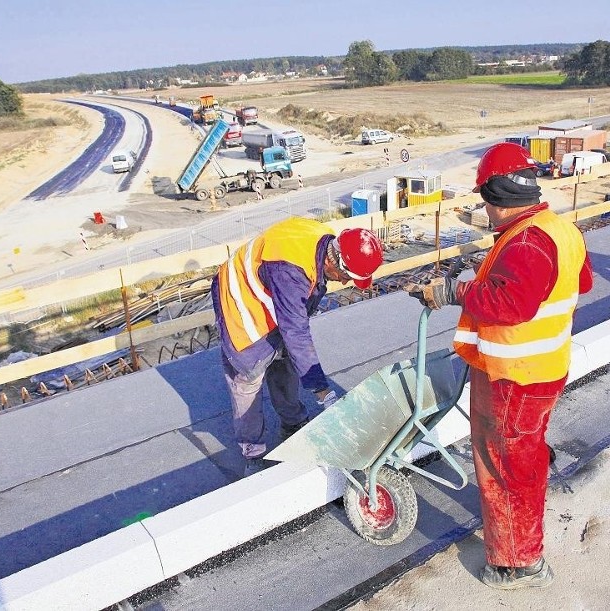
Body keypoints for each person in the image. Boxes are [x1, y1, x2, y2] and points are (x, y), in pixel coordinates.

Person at [406, 142, 593, 590]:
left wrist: (452, 292)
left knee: (505, 467)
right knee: (523, 459)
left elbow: (511, 304)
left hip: (515, 376)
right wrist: (492, 273)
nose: (484, 209)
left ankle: (517, 564)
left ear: (495, 196)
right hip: (545, 368)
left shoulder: (526, 242)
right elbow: (580, 280)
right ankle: (521, 539)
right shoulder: (557, 229)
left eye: (484, 200)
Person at [211, 217, 383, 477]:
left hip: (271, 291)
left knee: (286, 361)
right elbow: (295, 331)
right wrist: (323, 392)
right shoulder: (289, 269)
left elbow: (295, 326)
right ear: (331, 261)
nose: (346, 282)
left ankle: (292, 423)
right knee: (248, 377)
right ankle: (254, 453)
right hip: (240, 299)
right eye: (346, 276)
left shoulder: (325, 241)